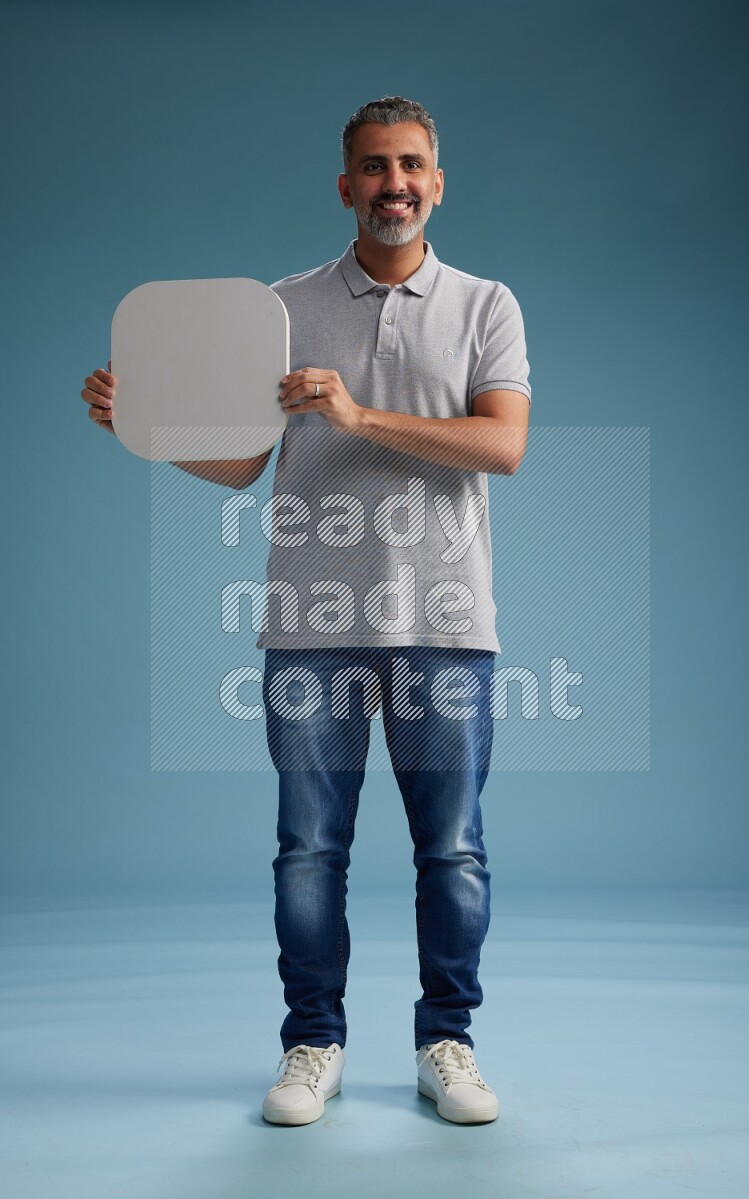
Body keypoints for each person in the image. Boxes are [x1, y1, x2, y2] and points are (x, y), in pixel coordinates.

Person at [81, 96, 530, 1127]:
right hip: (311, 622)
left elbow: (501, 443)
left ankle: (445, 1042)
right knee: (307, 848)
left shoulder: (485, 303)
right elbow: (241, 461)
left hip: (446, 621)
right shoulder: (278, 309)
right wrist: (137, 425)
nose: (394, 183)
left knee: (451, 846)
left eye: (411, 164)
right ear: (345, 186)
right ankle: (310, 1042)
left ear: (437, 181)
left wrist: (355, 413)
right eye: (373, 167)